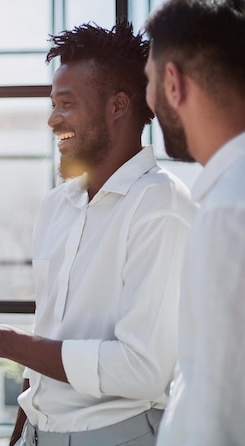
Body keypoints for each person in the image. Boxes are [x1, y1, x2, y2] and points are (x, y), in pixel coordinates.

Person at [0, 22, 197, 446]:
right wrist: (20, 431)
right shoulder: (55, 206)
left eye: (66, 104)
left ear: (117, 105)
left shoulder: (162, 205)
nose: (52, 119)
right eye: (53, 104)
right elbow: (47, 334)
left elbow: (142, 370)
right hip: (36, 433)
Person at [143, 1, 245, 444]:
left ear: (172, 82)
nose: (149, 102)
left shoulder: (227, 212)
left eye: (148, 80)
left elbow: (218, 408)